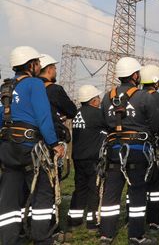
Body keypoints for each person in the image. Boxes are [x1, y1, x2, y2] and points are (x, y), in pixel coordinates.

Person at [0, 46, 66, 245]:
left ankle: (9, 240)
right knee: (42, 194)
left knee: (9, 197)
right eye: (37, 62)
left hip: (7, 148)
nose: (39, 66)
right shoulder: (35, 84)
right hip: (30, 149)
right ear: (31, 65)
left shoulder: (6, 87)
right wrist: (54, 144)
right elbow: (43, 117)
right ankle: (42, 238)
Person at [98, 57, 159, 244]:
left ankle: (106, 234)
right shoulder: (144, 97)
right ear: (135, 75)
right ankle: (136, 235)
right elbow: (156, 122)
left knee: (111, 193)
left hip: (114, 150)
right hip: (137, 150)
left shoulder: (107, 96)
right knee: (137, 192)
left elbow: (104, 122)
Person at [67, 85, 104, 232]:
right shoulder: (97, 114)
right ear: (93, 101)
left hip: (78, 157)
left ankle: (74, 221)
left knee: (79, 189)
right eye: (98, 98)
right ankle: (92, 222)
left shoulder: (77, 113)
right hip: (93, 158)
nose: (100, 101)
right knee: (94, 189)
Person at [139, 64, 159, 233]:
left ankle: (133, 218)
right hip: (149, 146)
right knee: (153, 185)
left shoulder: (135, 96)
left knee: (136, 185)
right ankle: (153, 221)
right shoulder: (156, 97)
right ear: (156, 82)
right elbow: (156, 122)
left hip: (135, 146)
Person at [38, 53, 77, 147]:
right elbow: (72, 111)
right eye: (54, 68)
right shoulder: (55, 89)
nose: (55, 71)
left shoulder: (30, 87)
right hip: (51, 137)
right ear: (49, 70)